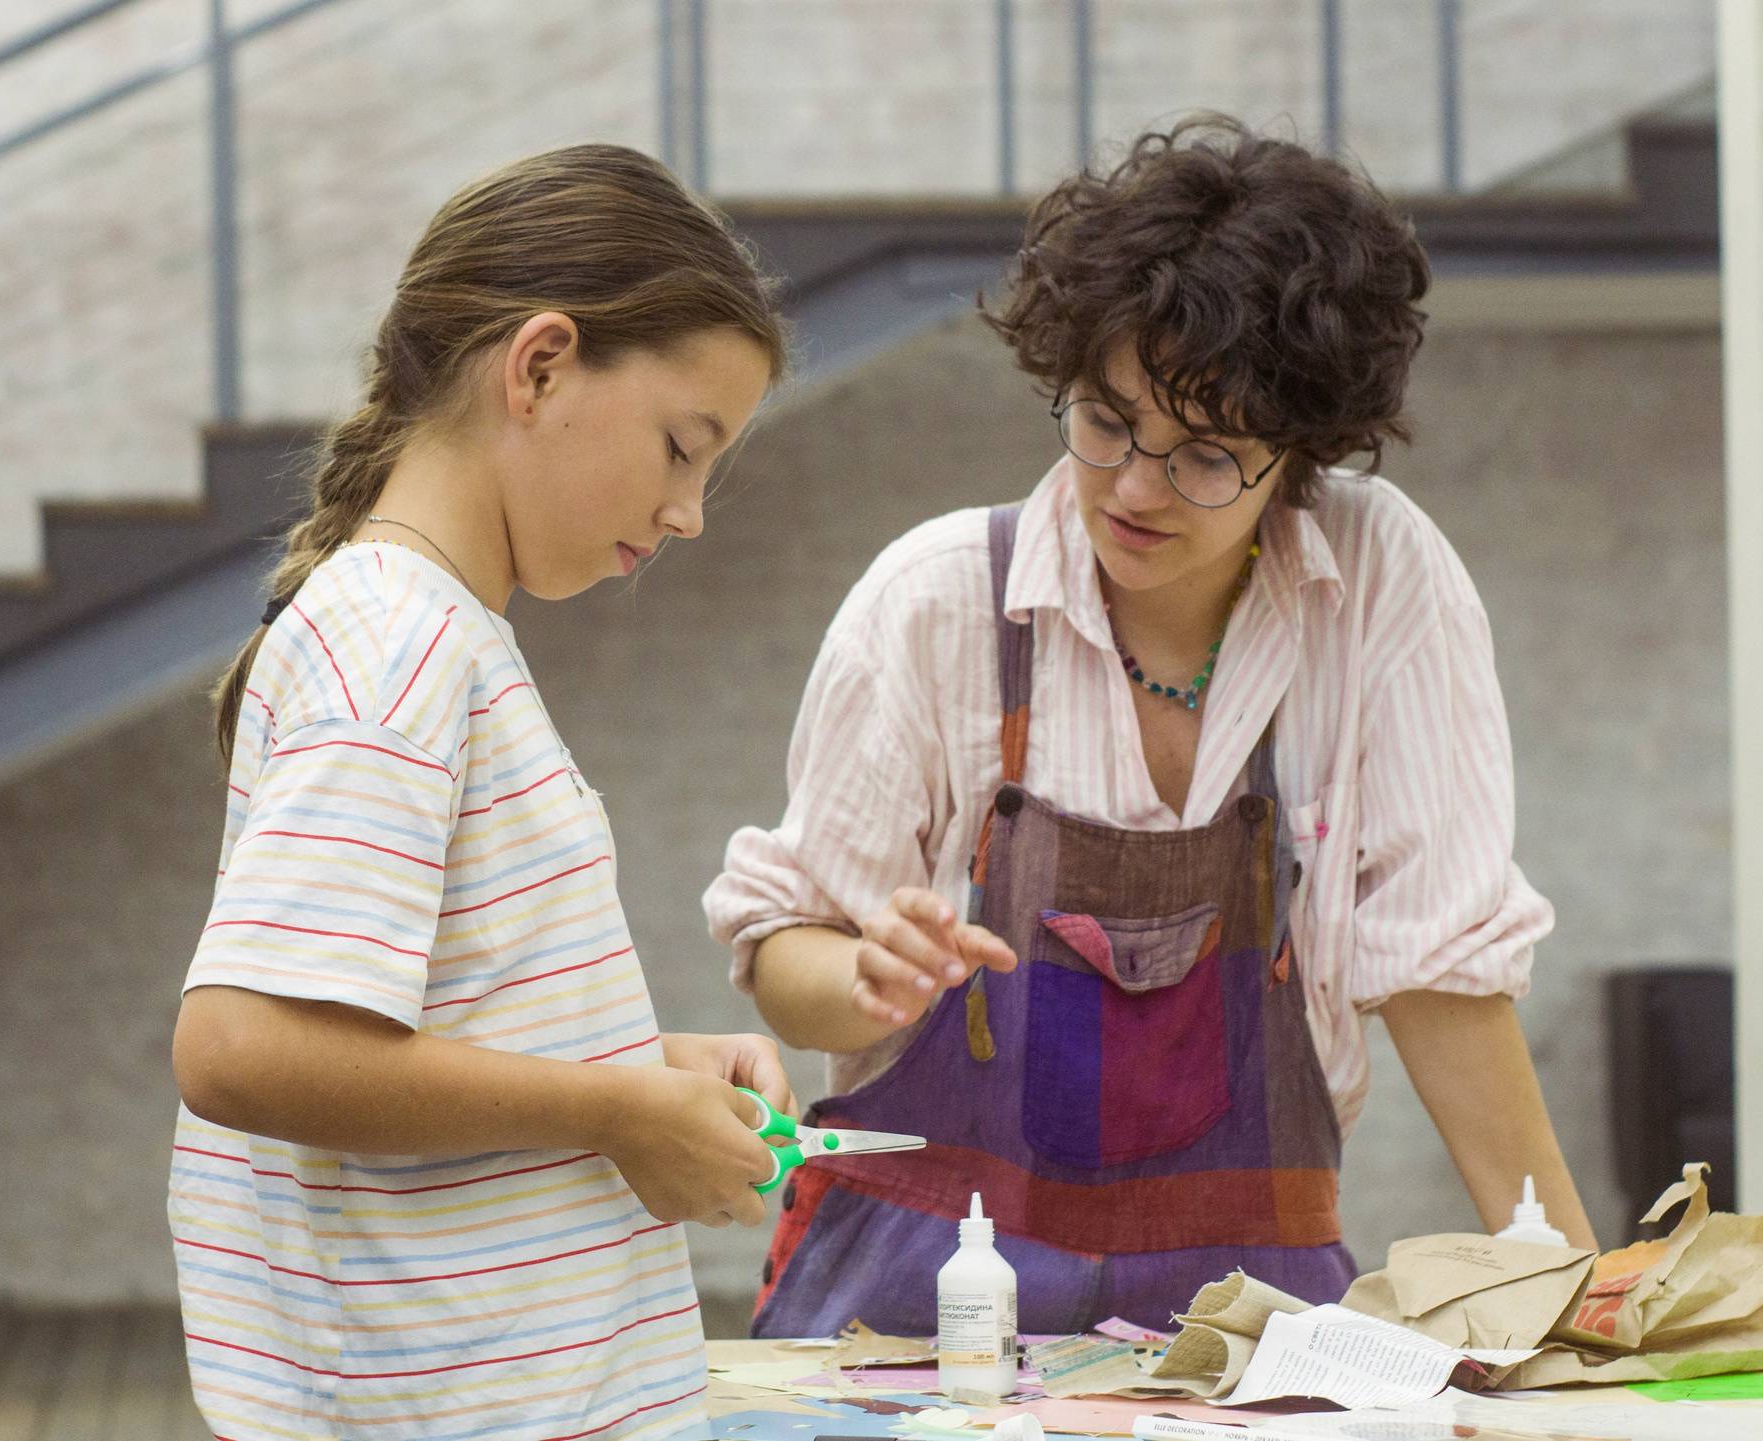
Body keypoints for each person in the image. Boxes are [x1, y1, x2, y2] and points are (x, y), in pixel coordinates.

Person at [706, 115, 1598, 1339]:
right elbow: (780, 952)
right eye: (1107, 420)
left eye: (1206, 455)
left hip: (1245, 1311)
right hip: (913, 1296)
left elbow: (1438, 969)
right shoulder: (935, 601)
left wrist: (1572, 1291)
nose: (1133, 487)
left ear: (1302, 451)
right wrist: (858, 977)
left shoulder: (1380, 578)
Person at [167, 145, 796, 1441]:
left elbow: (406, 1029)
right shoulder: (400, 648)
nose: (688, 514)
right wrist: (615, 1107)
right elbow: (243, 1048)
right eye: (683, 448)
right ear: (541, 364)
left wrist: (646, 1066)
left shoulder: (425, 638)